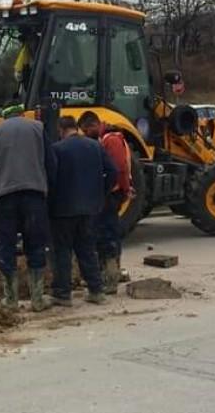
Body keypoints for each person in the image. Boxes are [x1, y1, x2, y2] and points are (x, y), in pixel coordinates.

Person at [0, 100, 57, 312]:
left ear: (5, 115)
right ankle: (38, 299)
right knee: (36, 244)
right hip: (33, 196)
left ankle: (10, 300)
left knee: (6, 245)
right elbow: (51, 163)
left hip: (4, 199)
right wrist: (47, 190)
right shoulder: (38, 129)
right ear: (22, 114)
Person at [49, 115, 117, 306]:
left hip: (63, 209)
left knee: (62, 251)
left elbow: (51, 179)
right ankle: (96, 291)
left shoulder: (57, 149)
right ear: (76, 127)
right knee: (87, 249)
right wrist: (101, 193)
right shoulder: (95, 146)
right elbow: (112, 171)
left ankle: (62, 294)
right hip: (90, 208)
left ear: (61, 130)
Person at [78, 111, 132, 294]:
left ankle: (110, 279)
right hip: (110, 193)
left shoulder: (111, 140)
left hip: (110, 194)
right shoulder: (105, 138)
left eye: (86, 130)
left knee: (107, 236)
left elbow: (119, 169)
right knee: (104, 235)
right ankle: (109, 274)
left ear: (93, 124)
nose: (85, 134)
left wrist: (122, 190)